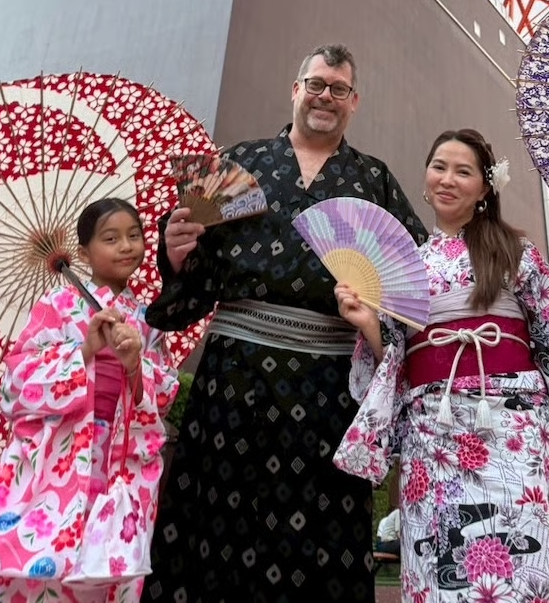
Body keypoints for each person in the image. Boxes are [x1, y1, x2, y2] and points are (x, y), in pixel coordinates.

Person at [144, 44, 426, 603]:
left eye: (339, 89)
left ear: (354, 101)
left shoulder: (374, 179)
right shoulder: (236, 164)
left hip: (329, 387)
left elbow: (412, 280)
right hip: (233, 379)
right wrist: (176, 254)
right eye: (316, 84)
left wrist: (373, 318)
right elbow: (193, 288)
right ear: (296, 90)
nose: (325, 97)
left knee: (322, 532)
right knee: (213, 522)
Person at [333, 128, 549, 602]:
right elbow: (393, 361)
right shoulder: (405, 266)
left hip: (513, 427)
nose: (448, 179)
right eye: (439, 167)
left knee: (522, 560)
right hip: (433, 429)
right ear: (425, 178)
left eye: (463, 171)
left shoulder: (516, 252)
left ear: (484, 187)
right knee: (438, 558)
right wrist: (368, 322)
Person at [0, 198, 179, 603]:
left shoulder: (149, 320)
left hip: (118, 458)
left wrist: (135, 366)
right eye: (111, 238)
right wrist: (83, 351)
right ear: (84, 253)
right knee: (40, 565)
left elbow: (164, 397)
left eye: (134, 235)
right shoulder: (57, 307)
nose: (126, 246)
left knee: (105, 568)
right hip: (58, 460)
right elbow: (15, 387)